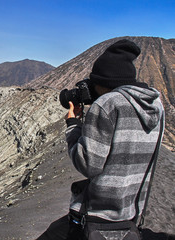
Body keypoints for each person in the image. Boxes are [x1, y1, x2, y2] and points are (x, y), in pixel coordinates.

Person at [37, 39, 164, 239]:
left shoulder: (107, 104)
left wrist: (73, 126)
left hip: (100, 215)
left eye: (95, 82)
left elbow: (88, 164)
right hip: (130, 212)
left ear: (105, 81)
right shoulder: (154, 104)